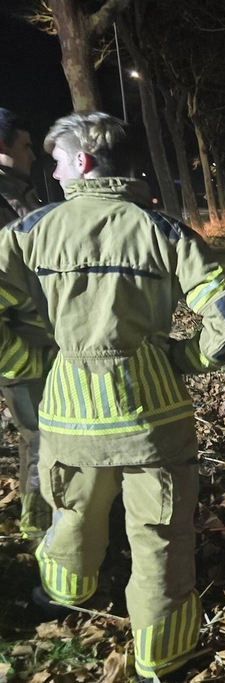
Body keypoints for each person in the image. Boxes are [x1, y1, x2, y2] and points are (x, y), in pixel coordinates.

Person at [0, 112, 225, 682]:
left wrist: (29, 363)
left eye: (60, 160)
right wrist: (183, 360)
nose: (55, 169)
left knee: (72, 515)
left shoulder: (28, 232)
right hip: (154, 413)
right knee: (162, 536)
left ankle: (65, 596)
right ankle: (161, 657)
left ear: (84, 162)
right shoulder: (162, 231)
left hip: (68, 410)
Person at [0, 108, 53, 540]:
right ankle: (39, 529)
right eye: (26, 146)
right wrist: (19, 357)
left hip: (42, 342)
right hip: (19, 348)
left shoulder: (21, 194)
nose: (33, 155)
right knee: (40, 439)